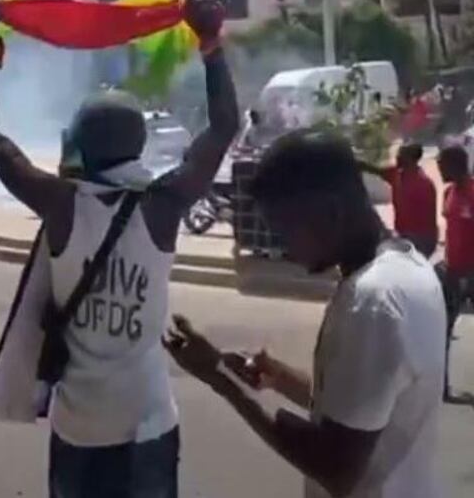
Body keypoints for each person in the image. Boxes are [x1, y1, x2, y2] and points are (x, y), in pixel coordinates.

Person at [0, 0, 237, 498]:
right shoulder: (164, 204)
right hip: (148, 424)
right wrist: (210, 41)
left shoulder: (61, 204)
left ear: (81, 146)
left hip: (78, 429)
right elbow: (223, 127)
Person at [165, 131, 445, 498]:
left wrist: (221, 381)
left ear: (330, 211)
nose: (283, 247)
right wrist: (280, 379)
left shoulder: (373, 302)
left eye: (284, 228)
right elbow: (363, 410)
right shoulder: (410, 268)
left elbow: (335, 468)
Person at [438, 144, 474, 401]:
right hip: (452, 271)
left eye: (442, 164)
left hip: (471, 273)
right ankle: (441, 387)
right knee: (442, 329)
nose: (439, 169)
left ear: (455, 165)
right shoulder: (449, 192)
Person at [365, 143, 438, 258]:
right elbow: (377, 171)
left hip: (419, 238)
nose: (397, 157)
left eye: (402, 154)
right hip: (404, 235)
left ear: (412, 159)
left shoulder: (423, 183)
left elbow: (428, 220)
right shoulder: (397, 174)